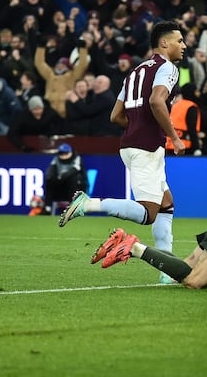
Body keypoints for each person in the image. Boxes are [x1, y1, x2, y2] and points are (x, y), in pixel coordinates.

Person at [58, 20, 187, 285]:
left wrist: (138, 126)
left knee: (166, 206)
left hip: (130, 144)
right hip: (147, 148)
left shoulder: (135, 72)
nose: (183, 45)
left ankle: (167, 271)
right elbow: (156, 100)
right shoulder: (168, 68)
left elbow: (116, 115)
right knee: (148, 213)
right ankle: (89, 204)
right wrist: (174, 136)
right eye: (179, 40)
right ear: (164, 43)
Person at [43, 143, 88, 215]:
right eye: (61, 154)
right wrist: (51, 176)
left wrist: (62, 176)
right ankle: (47, 208)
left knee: (73, 178)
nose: (63, 156)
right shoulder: (56, 159)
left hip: (74, 190)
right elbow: (50, 170)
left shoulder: (76, 158)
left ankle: (73, 208)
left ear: (70, 152)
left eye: (65, 153)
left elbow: (75, 170)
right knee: (50, 180)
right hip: (60, 189)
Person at [166, 82, 203, 156]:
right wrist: (196, 148)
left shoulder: (175, 105)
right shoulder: (191, 107)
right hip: (183, 144)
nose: (198, 93)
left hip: (169, 143)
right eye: (196, 91)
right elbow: (192, 129)